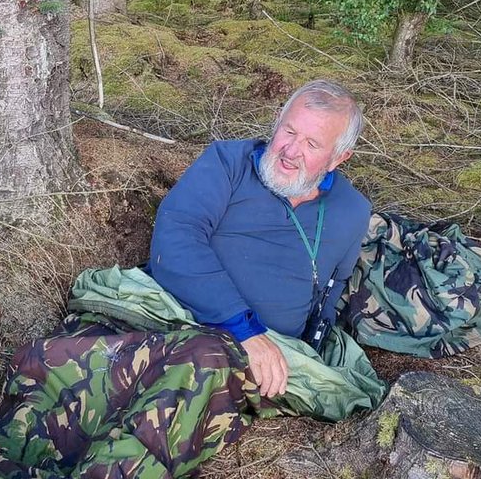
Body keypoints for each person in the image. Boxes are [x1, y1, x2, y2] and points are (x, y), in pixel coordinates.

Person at [148, 80, 370, 401]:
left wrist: (307, 351)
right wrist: (244, 330)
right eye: (289, 132)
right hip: (193, 325)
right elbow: (176, 235)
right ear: (278, 120)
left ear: (338, 158)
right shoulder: (228, 164)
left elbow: (332, 290)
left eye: (312, 144)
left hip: (280, 361)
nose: (291, 152)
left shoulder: (352, 210)